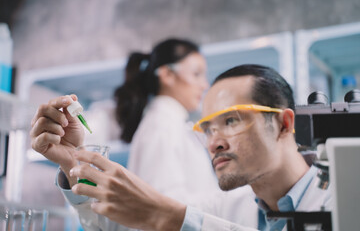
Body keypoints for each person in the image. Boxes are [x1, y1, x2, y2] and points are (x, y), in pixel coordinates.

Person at [30, 64, 332, 230]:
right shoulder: (228, 206)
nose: (215, 142)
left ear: (284, 123)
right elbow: (127, 224)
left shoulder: (342, 197)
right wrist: (73, 163)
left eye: (231, 121)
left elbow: (172, 217)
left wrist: (169, 215)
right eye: (207, 128)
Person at [113, 38, 220, 202]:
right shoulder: (161, 127)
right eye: (196, 74)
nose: (204, 85)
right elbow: (164, 205)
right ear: (167, 75)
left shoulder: (172, 124)